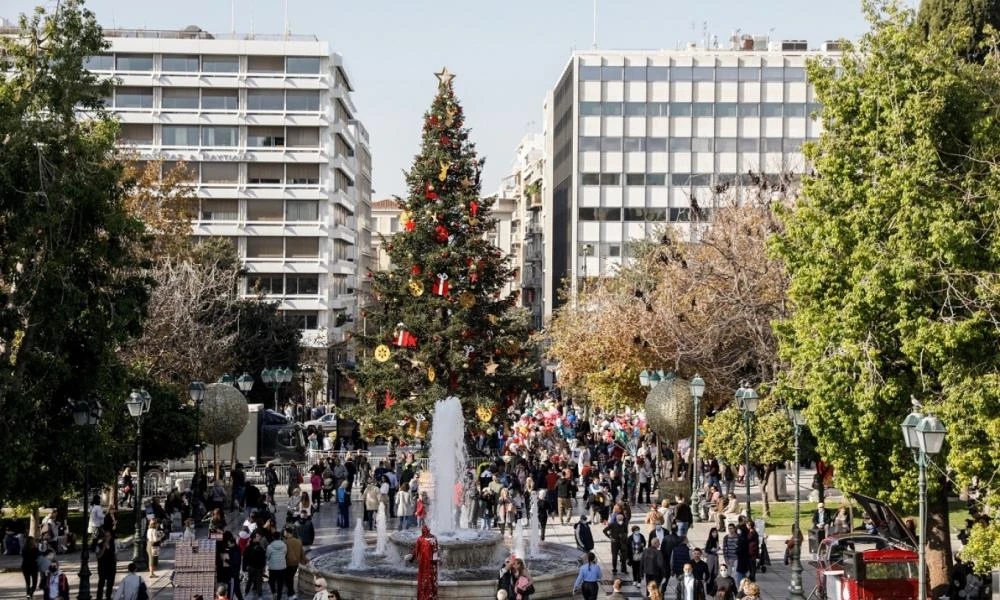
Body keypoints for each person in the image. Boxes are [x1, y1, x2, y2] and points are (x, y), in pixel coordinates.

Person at [407, 525, 440, 599]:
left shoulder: (433, 538)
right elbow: (416, 550)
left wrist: (435, 560)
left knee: (431, 580)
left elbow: (435, 550)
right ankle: (423, 597)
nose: (425, 532)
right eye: (424, 530)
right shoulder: (420, 539)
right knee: (423, 580)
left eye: (426, 530)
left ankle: (430, 597)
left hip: (431, 564)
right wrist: (411, 557)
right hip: (423, 564)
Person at [603, 511, 628, 576]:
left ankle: (624, 569)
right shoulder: (612, 524)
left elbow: (626, 532)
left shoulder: (624, 524)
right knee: (614, 556)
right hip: (615, 542)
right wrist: (610, 537)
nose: (621, 521)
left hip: (622, 542)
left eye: (621, 520)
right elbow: (604, 531)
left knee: (624, 556)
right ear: (617, 520)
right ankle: (614, 569)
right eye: (619, 520)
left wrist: (624, 536)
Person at [266, 528, 288, 600]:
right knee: (280, 583)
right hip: (282, 567)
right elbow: (285, 554)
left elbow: (267, 556)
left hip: (273, 568)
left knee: (271, 581)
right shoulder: (284, 545)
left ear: (273, 537)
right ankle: (279, 597)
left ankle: (273, 593)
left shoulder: (269, 547)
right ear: (280, 537)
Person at [243, 532, 266, 600]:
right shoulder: (253, 547)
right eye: (258, 536)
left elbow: (263, 558)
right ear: (253, 538)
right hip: (254, 567)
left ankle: (247, 593)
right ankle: (259, 596)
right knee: (255, 581)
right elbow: (245, 558)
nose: (259, 537)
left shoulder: (250, 547)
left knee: (255, 581)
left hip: (255, 567)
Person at [95, 530, 117, 600]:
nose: (107, 538)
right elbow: (98, 556)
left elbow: (115, 554)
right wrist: (104, 547)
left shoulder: (113, 544)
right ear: (103, 537)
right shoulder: (99, 545)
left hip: (111, 566)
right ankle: (99, 597)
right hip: (102, 567)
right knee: (101, 582)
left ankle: (108, 596)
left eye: (108, 536)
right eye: (105, 536)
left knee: (110, 583)